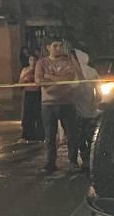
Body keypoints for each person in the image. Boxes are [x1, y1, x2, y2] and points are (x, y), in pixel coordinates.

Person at [35, 38, 82, 173]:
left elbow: (70, 78)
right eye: (55, 46)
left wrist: (50, 77)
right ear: (48, 47)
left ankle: (72, 161)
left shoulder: (67, 62)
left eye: (60, 45)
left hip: (67, 102)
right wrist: (58, 80)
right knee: (50, 136)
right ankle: (51, 163)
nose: (58, 48)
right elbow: (39, 80)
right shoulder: (41, 62)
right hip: (48, 104)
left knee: (72, 134)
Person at [72, 48, 101, 172]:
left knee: (90, 136)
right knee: (79, 137)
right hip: (77, 109)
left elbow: (98, 89)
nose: (72, 60)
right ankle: (85, 160)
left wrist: (97, 100)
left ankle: (90, 160)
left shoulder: (91, 72)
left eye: (74, 58)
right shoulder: (72, 73)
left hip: (90, 108)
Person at [18, 53, 43, 142]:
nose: (33, 62)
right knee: (27, 115)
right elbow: (20, 83)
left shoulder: (40, 70)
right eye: (31, 60)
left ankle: (40, 135)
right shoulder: (25, 70)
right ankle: (27, 135)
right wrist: (27, 74)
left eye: (34, 60)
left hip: (37, 94)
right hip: (28, 94)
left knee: (39, 115)